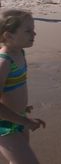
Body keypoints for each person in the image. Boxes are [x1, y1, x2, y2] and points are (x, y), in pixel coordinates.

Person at [0, 10, 46, 163]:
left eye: (33, 29)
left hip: (18, 117)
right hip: (4, 124)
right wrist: (25, 121)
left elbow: (11, 90)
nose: (34, 34)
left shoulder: (19, 53)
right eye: (28, 31)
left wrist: (21, 109)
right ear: (9, 36)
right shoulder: (4, 62)